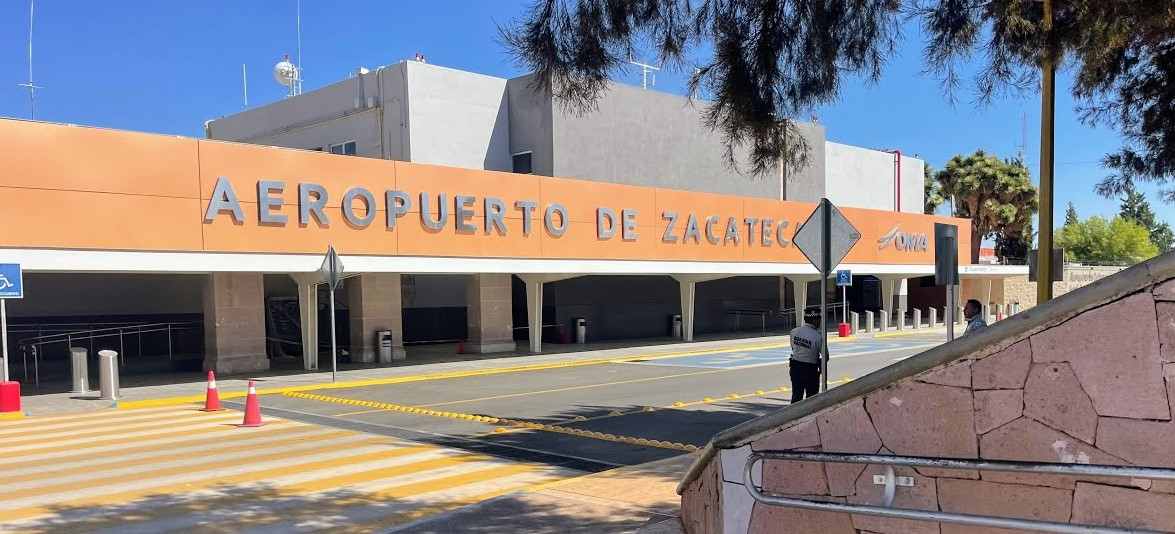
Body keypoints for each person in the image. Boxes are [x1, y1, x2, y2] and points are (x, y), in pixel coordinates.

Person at [789, 309, 823, 403]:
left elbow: (793, 348)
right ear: (815, 321)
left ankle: (794, 416)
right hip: (810, 369)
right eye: (819, 319)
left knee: (796, 396)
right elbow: (825, 356)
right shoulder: (817, 336)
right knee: (811, 399)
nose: (820, 322)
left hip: (795, 367)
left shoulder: (794, 331)